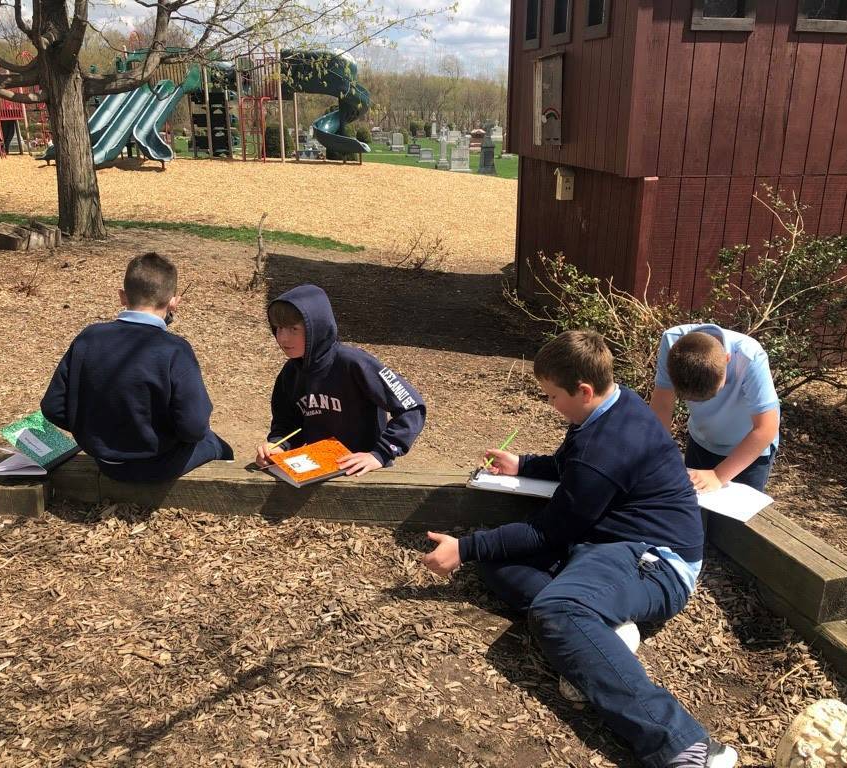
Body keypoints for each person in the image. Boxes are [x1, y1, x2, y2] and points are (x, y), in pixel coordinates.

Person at [423, 329, 736, 768]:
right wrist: (525, 464)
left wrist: (465, 547)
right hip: (605, 543)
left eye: (552, 397)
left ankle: (686, 745)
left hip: (655, 560)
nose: (550, 405)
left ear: (584, 390)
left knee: (557, 611)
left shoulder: (604, 446)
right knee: (498, 560)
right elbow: (572, 469)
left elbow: (548, 531)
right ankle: (602, 631)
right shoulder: (610, 408)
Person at [41, 252, 232, 483]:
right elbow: (194, 428)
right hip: (158, 464)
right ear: (174, 302)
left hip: (104, 461)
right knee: (220, 447)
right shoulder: (175, 350)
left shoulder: (88, 338)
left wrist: (92, 431)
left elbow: (53, 407)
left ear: (123, 296)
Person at [255, 284, 425, 476]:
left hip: (364, 473)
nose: (283, 338)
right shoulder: (291, 373)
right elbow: (287, 424)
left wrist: (380, 454)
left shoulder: (354, 363)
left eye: (293, 329)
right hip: (319, 469)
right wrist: (279, 446)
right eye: (278, 328)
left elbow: (412, 407)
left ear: (317, 327)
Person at [649, 324, 780, 492]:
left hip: (748, 450)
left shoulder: (750, 356)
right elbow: (663, 403)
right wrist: (659, 455)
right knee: (691, 508)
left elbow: (766, 428)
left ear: (727, 359)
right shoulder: (672, 341)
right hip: (701, 441)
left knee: (731, 517)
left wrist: (719, 475)